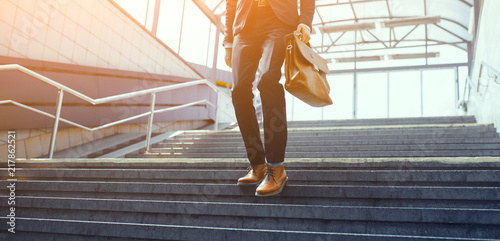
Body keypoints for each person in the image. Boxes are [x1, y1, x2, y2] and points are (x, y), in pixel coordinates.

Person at [223, 0, 315, 197]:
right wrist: (228, 40)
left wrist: (305, 20)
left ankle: (276, 168)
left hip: (278, 20)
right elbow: (230, 3)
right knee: (239, 91)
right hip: (245, 25)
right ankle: (257, 165)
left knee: (268, 81)